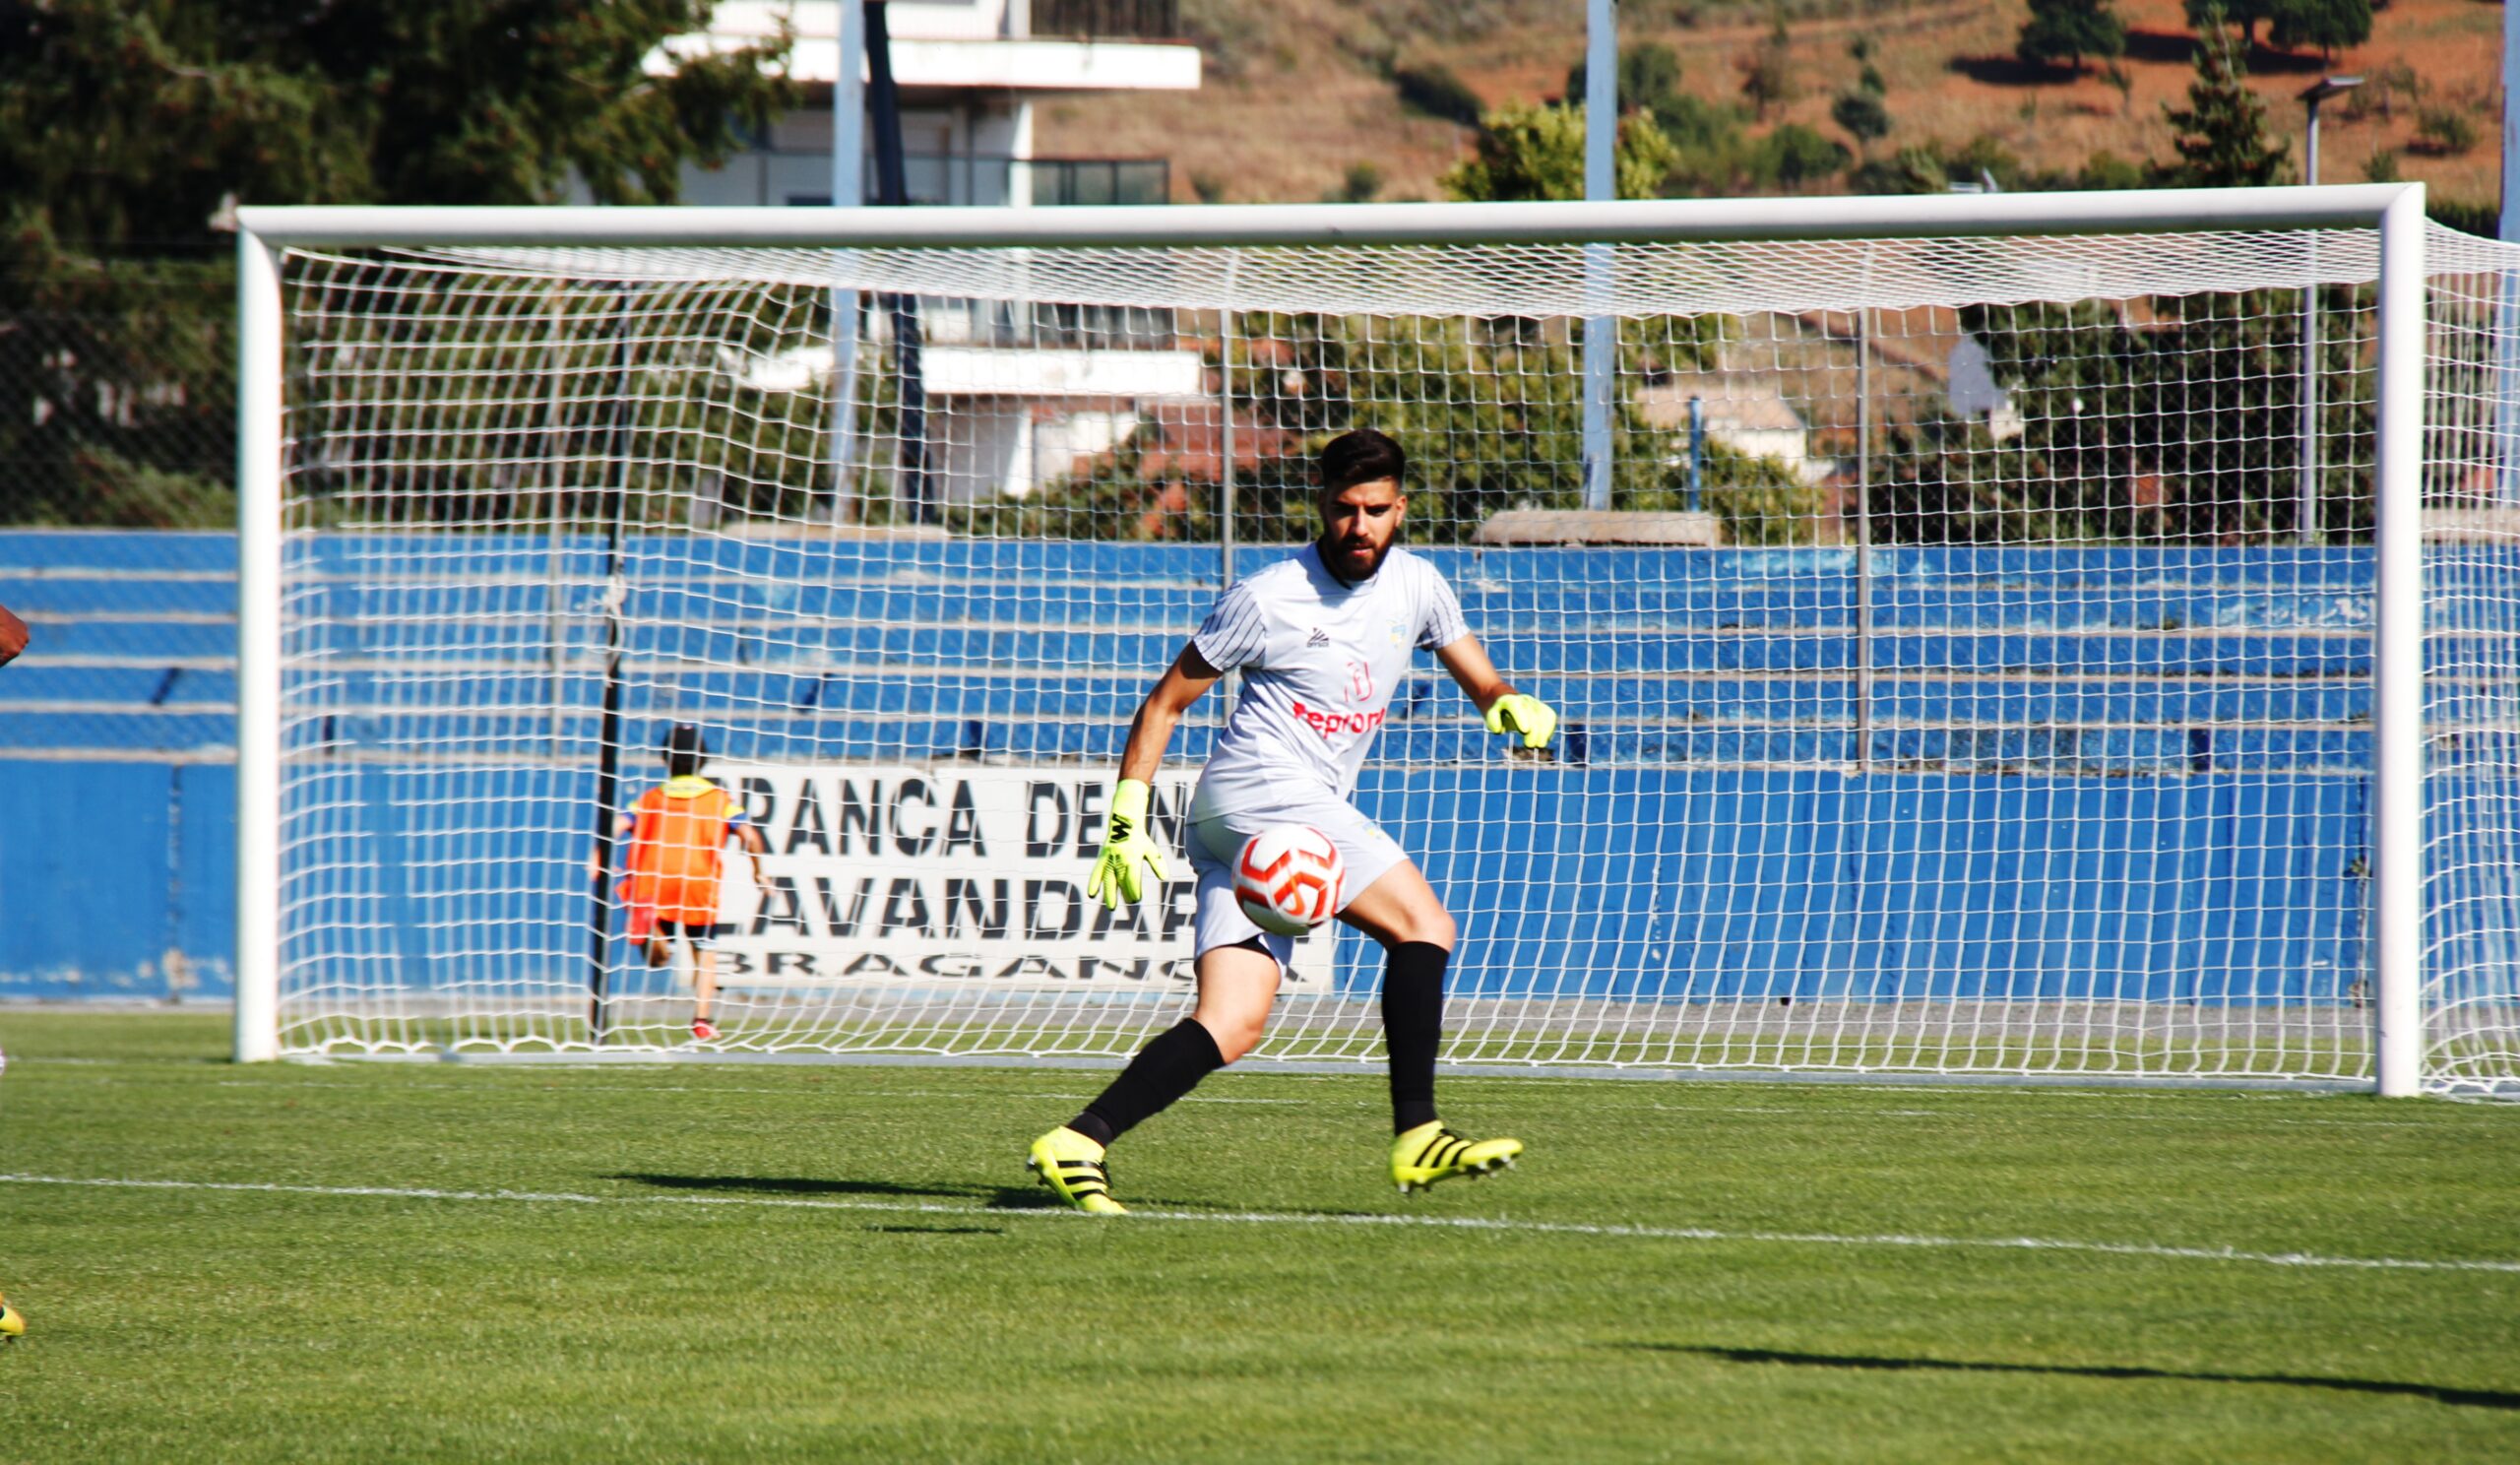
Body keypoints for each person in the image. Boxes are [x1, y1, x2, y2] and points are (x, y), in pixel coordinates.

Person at [1025, 427, 1558, 1214]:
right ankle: (1419, 1133)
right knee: (1425, 926)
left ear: (1400, 508)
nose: (1360, 527)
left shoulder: (1420, 587)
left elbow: (1479, 676)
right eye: (1345, 509)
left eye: (1376, 510)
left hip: (1251, 824)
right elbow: (1166, 702)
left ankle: (1080, 1140)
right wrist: (1123, 820)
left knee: (1232, 1023)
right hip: (1262, 794)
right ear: (1322, 506)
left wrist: (1505, 701)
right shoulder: (1270, 596)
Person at [600, 724, 766, 1042]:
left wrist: (598, 856)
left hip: (655, 881)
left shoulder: (651, 798)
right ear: (703, 758)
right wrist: (759, 870)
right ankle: (702, 1021)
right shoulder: (719, 800)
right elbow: (750, 836)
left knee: (658, 959)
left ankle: (654, 935)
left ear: (665, 758)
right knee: (705, 954)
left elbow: (618, 824)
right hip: (696, 885)